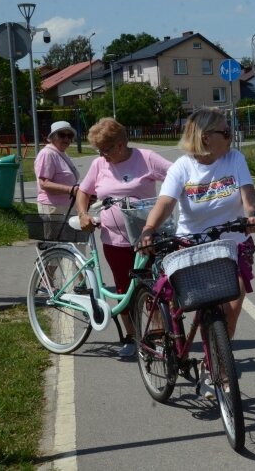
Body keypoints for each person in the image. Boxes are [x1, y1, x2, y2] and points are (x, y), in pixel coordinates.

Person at [138, 109, 255, 393]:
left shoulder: (235, 159)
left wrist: (252, 214)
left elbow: (248, 194)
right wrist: (149, 229)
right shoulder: (182, 167)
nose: (231, 136)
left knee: (231, 307)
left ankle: (214, 364)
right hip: (191, 244)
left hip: (232, 243)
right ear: (206, 138)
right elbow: (166, 203)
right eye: (226, 132)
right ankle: (176, 343)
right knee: (194, 304)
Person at [75, 118, 172, 358]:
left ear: (121, 144)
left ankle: (158, 337)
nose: (102, 155)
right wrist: (83, 213)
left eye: (106, 150)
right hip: (113, 240)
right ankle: (131, 336)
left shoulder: (146, 158)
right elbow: (84, 191)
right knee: (123, 288)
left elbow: (176, 176)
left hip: (147, 238)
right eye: (99, 150)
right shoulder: (99, 164)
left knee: (154, 286)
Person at [34, 121, 80, 215]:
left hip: (65, 206)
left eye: (70, 136)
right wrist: (71, 190)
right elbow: (44, 184)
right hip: (52, 207)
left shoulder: (61, 153)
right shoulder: (47, 154)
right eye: (62, 135)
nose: (66, 139)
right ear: (52, 137)